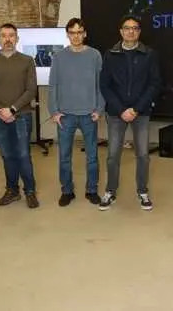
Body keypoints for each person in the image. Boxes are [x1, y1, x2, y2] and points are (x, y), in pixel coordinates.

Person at [99, 15, 162, 211]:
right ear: (121, 31)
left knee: (143, 154)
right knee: (113, 155)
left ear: (139, 32)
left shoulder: (149, 55)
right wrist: (121, 110)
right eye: (127, 28)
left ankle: (142, 191)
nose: (130, 31)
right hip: (116, 113)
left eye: (135, 28)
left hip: (140, 113)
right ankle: (110, 191)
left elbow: (155, 84)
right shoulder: (110, 54)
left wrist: (136, 109)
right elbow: (105, 85)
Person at [0, 23, 40, 209]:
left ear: (17, 38)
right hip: (0, 117)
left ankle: (30, 191)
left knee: (23, 155)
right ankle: (12, 191)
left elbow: (31, 90)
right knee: (7, 155)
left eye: (11, 35)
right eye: (4, 35)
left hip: (22, 116)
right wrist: (1, 110)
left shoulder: (27, 60)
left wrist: (13, 109)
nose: (8, 39)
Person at [48, 18, 104, 207]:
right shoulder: (59, 57)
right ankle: (67, 190)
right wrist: (54, 111)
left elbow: (101, 84)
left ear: (85, 34)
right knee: (64, 157)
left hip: (89, 114)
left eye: (79, 32)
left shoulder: (95, 55)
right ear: (68, 35)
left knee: (92, 157)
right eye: (72, 32)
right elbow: (53, 85)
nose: (76, 36)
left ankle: (92, 190)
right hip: (65, 116)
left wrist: (99, 109)